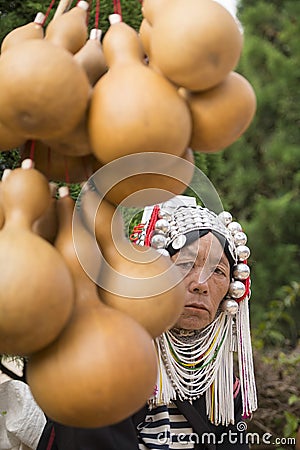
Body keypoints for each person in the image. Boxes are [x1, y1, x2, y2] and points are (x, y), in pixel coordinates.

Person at [37, 195, 257, 450]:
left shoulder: (224, 388)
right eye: (185, 263)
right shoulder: (103, 367)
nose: (201, 284)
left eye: (217, 271)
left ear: (233, 288)